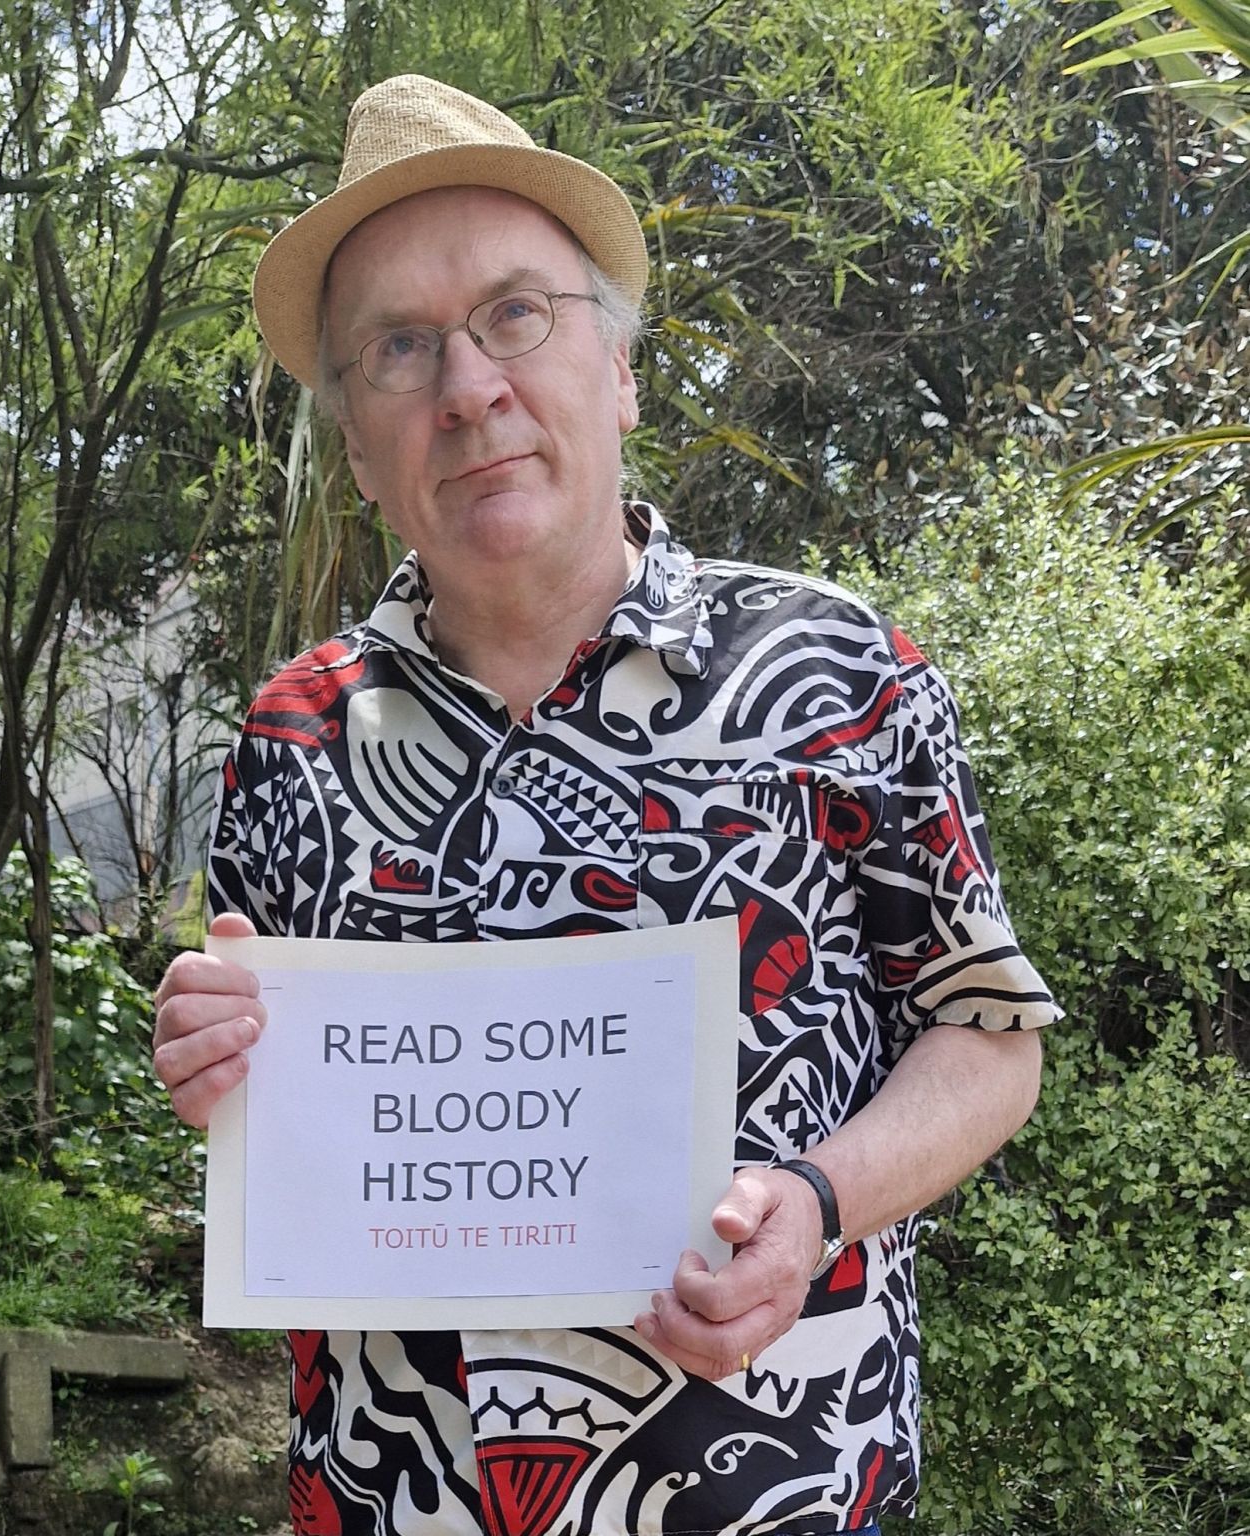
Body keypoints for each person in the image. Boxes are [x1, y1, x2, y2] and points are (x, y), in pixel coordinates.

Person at [152, 74, 1058, 1536]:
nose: (469, 387)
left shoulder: (836, 673)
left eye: (518, 314)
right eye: (400, 349)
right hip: (398, 1506)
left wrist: (819, 1203)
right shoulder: (294, 733)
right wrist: (223, 1069)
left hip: (780, 1495)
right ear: (361, 448)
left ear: (620, 372)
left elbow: (989, 1036)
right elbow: (300, 1131)